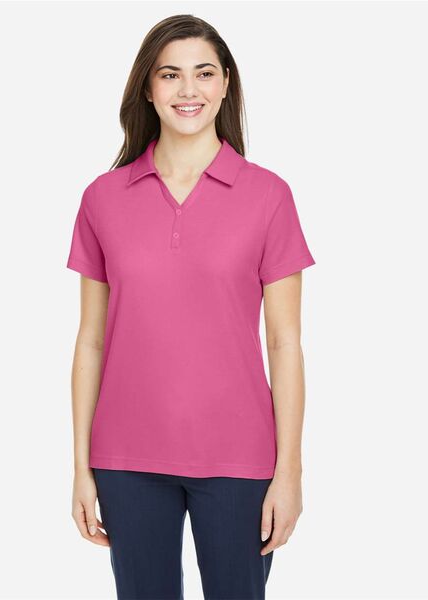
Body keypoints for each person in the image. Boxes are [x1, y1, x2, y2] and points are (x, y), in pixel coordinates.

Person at [66, 14, 316, 600]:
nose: (188, 89)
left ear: (225, 84)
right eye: (170, 74)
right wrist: (80, 466)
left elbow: (285, 343)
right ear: (148, 88)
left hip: (240, 458)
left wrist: (290, 471)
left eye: (204, 73)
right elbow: (91, 341)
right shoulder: (103, 198)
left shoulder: (269, 196)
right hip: (126, 458)